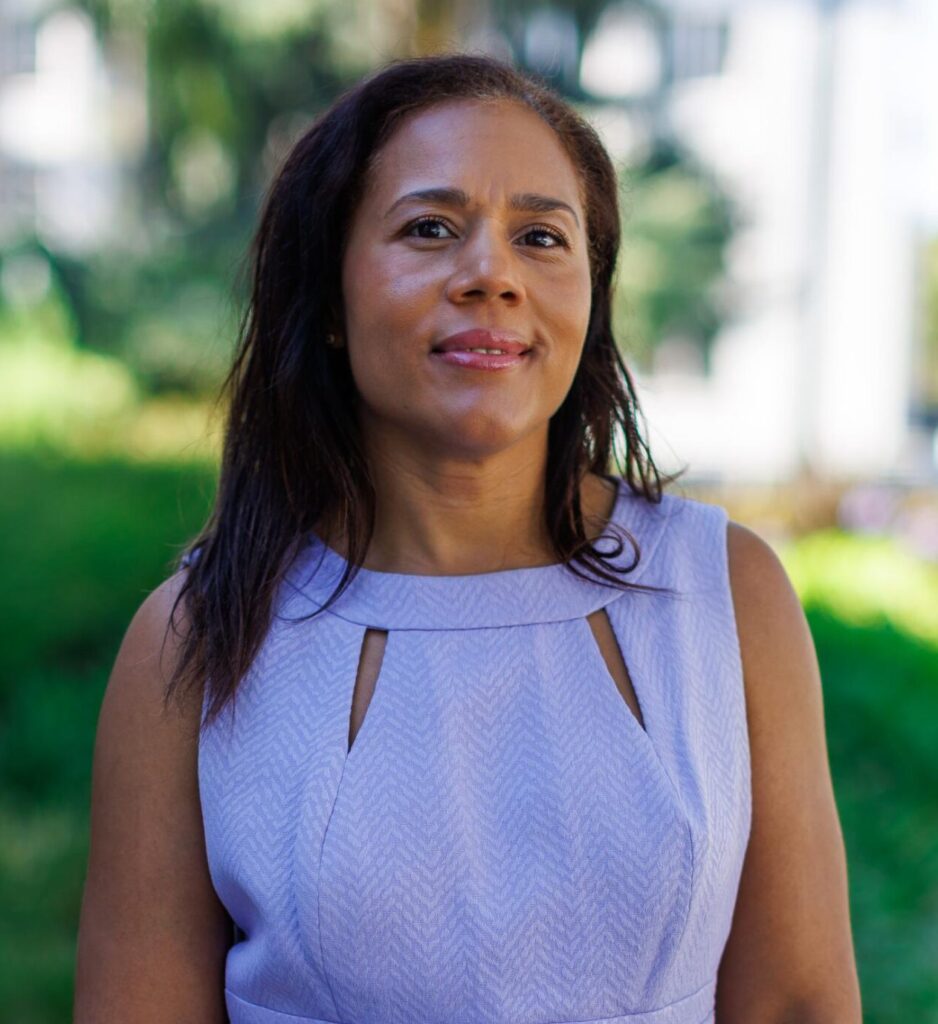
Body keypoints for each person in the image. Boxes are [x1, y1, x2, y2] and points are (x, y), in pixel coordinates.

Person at [73, 53, 862, 1023]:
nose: (491, 274)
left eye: (541, 236)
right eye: (429, 228)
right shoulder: (195, 640)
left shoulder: (726, 597)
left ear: (589, 298)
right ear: (328, 297)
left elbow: (797, 1002)